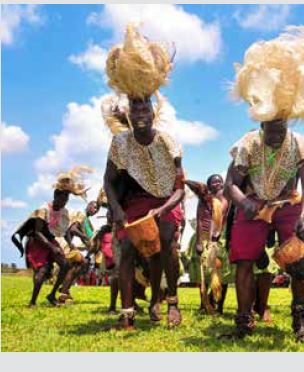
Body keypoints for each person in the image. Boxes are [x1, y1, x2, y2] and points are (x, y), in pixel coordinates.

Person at [223, 26, 304, 341]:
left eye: (281, 128)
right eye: (270, 128)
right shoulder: (247, 143)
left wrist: (302, 216)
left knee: (299, 257)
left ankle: (300, 321)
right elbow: (230, 184)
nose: (276, 133)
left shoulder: (299, 142)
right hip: (254, 204)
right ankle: (243, 321)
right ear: (261, 121)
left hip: (288, 205)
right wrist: (246, 204)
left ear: (288, 121)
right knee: (244, 262)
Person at [102, 24, 185, 330]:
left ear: (153, 112)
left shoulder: (168, 141)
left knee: (165, 243)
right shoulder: (120, 144)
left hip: (166, 199)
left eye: (144, 106)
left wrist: (161, 210)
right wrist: (119, 210)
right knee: (125, 249)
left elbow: (179, 189)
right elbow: (109, 181)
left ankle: (169, 302)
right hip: (135, 202)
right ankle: (127, 314)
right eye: (134, 106)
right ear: (129, 112)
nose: (139, 112)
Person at [11, 167, 92, 306]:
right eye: (63, 198)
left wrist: (68, 244)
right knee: (42, 272)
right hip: (37, 241)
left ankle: (52, 294)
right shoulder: (43, 209)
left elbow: (64, 230)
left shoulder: (64, 212)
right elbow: (37, 233)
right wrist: (51, 247)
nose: (65, 201)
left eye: (67, 198)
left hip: (50, 240)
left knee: (65, 265)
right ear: (55, 196)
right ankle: (32, 302)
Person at [186, 174, 234, 315]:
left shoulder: (226, 197)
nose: (217, 183)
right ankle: (204, 304)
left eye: (219, 181)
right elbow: (200, 220)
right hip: (204, 236)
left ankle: (219, 305)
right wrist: (200, 242)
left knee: (221, 273)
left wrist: (217, 237)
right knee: (204, 273)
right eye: (214, 182)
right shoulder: (203, 200)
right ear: (209, 185)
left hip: (221, 238)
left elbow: (222, 216)